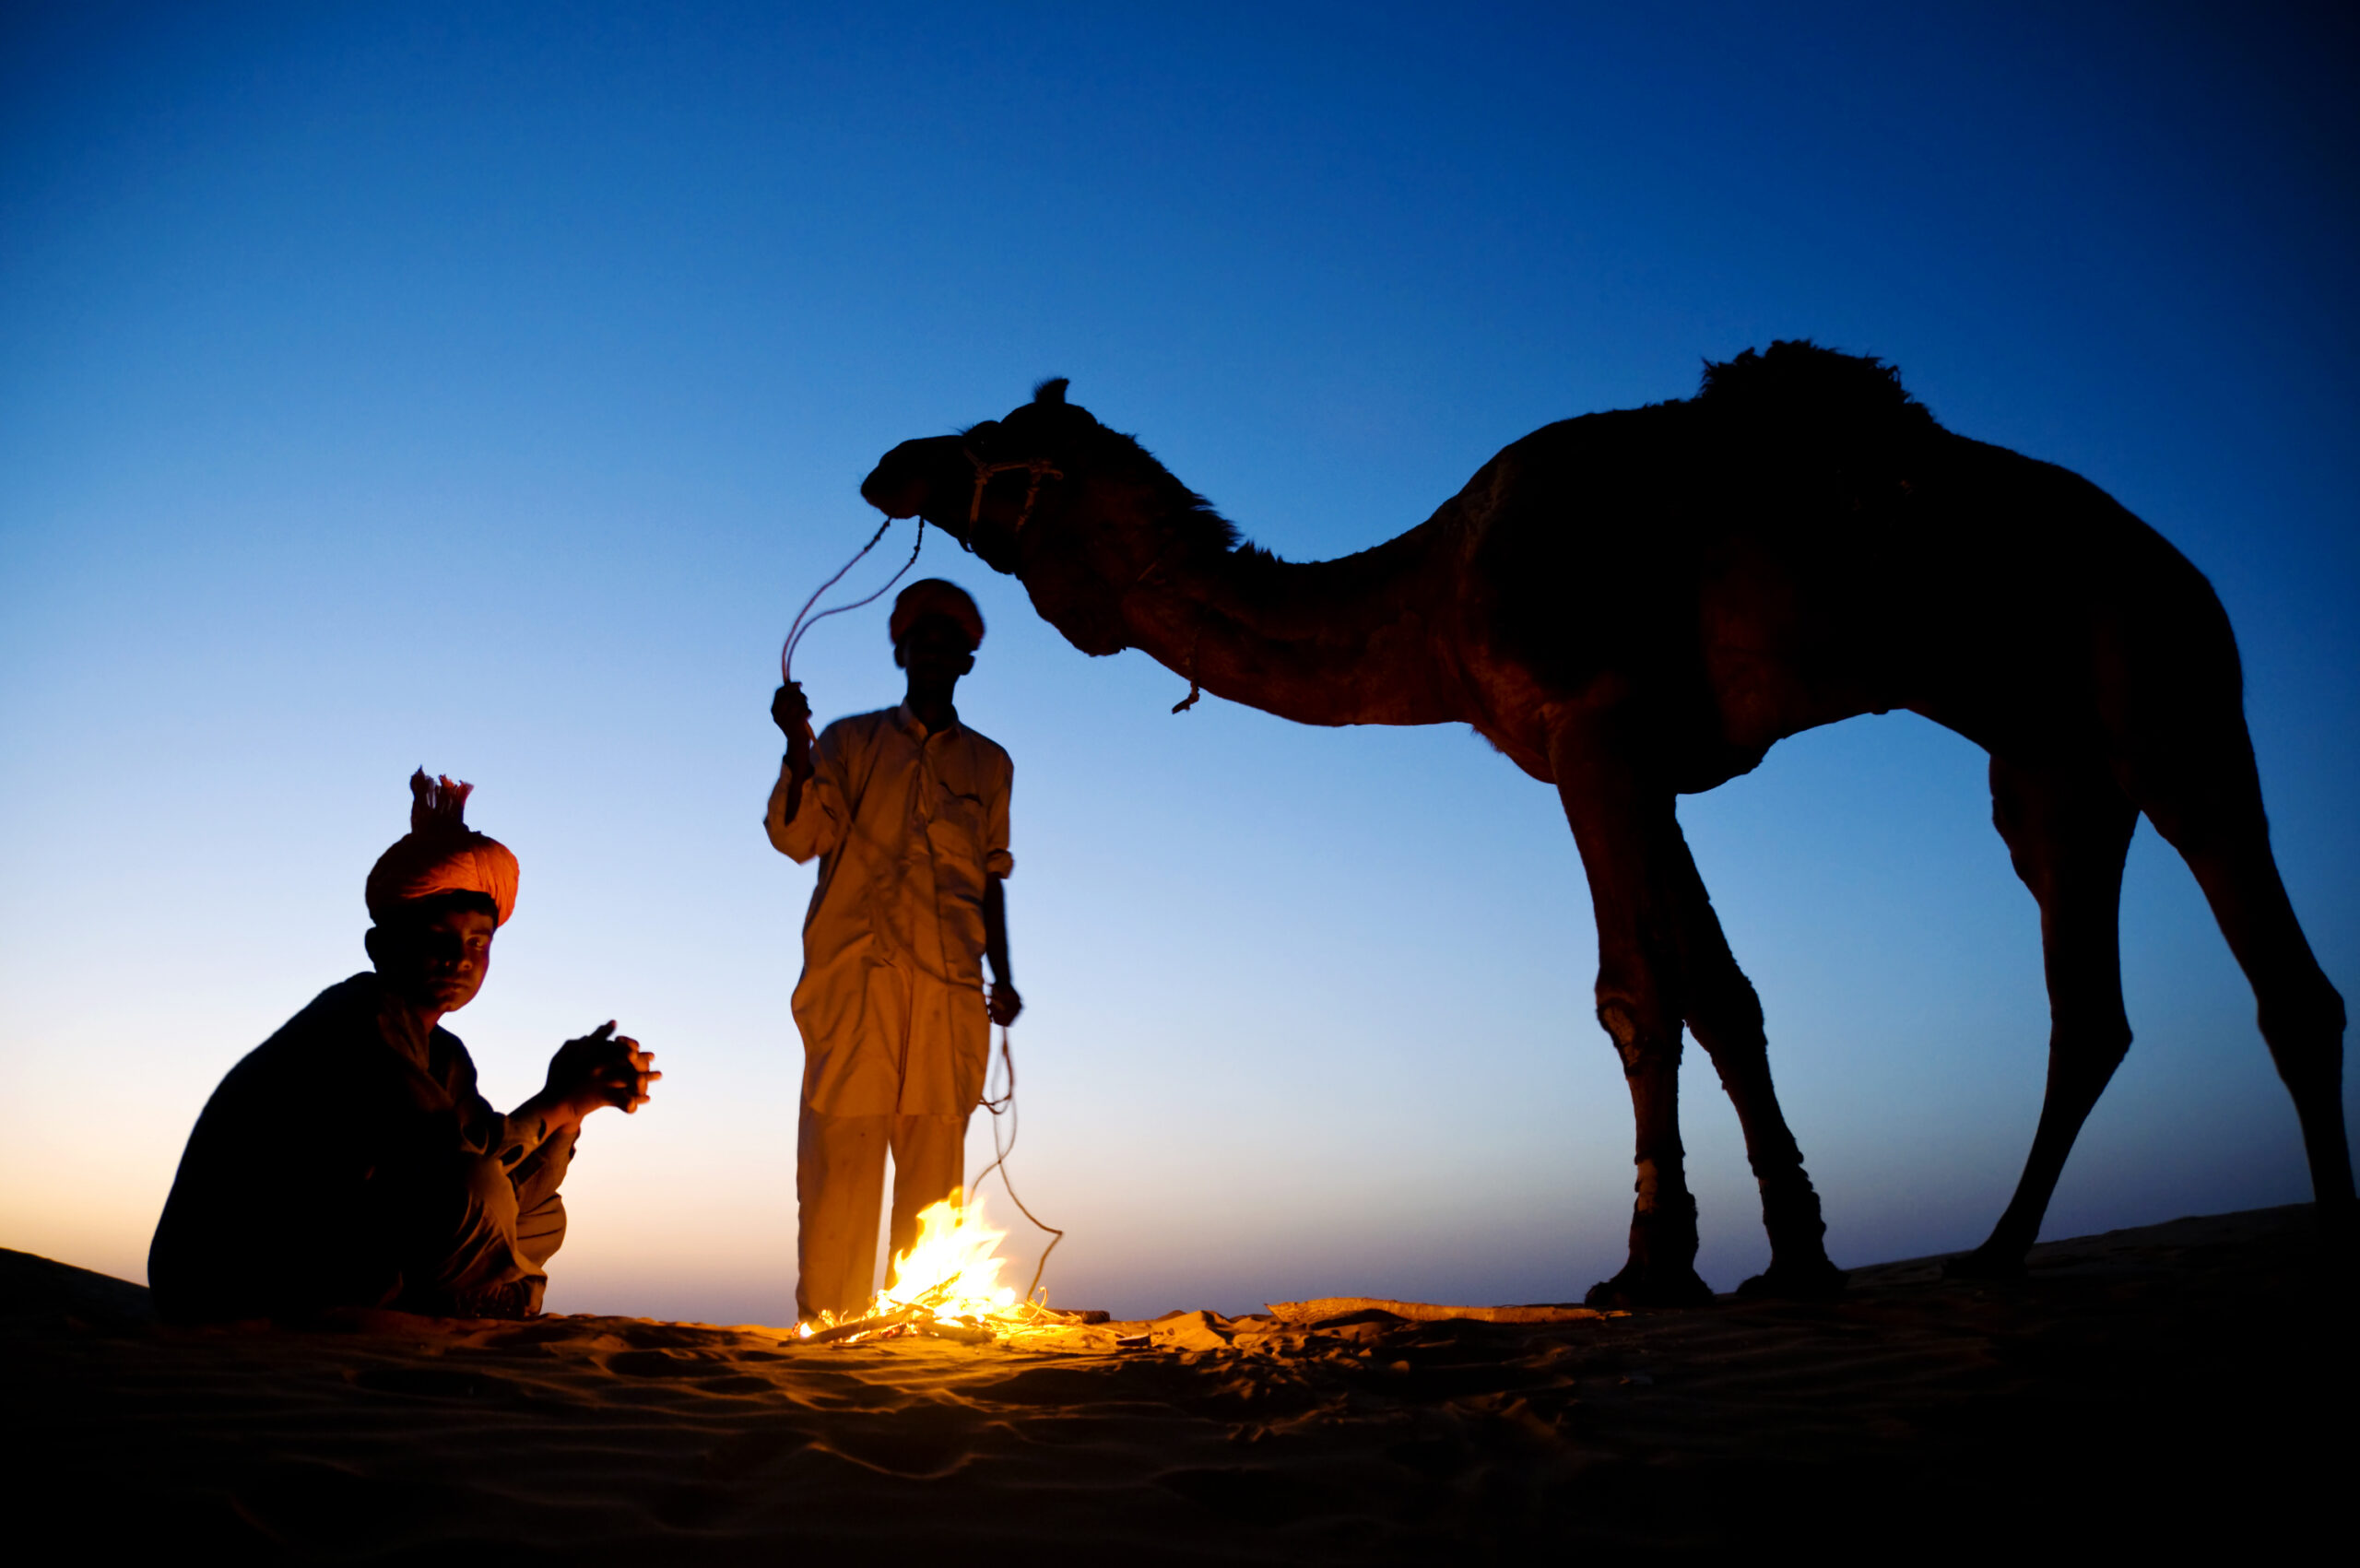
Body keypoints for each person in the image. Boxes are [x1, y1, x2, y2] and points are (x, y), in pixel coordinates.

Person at [148, 771, 658, 1323]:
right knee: (476, 1187)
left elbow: (493, 1166)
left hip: (339, 1257)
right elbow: (459, 1162)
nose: (459, 958)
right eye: (438, 938)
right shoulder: (359, 1022)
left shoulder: (445, 1054)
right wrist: (558, 1100)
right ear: (381, 947)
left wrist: (575, 1109)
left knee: (541, 1212)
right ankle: (472, 1299)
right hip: (233, 1276)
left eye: (477, 942)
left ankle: (462, 1294)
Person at [768, 578, 1022, 1322]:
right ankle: (832, 1330)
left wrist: (1003, 978)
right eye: (924, 639)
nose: (936, 653)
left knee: (934, 1181)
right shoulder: (847, 743)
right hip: (857, 988)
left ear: (967, 662)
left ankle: (917, 1333)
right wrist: (796, 744)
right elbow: (799, 837)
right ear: (900, 650)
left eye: (952, 643)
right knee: (840, 1169)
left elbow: (992, 876)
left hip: (948, 995)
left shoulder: (990, 765)